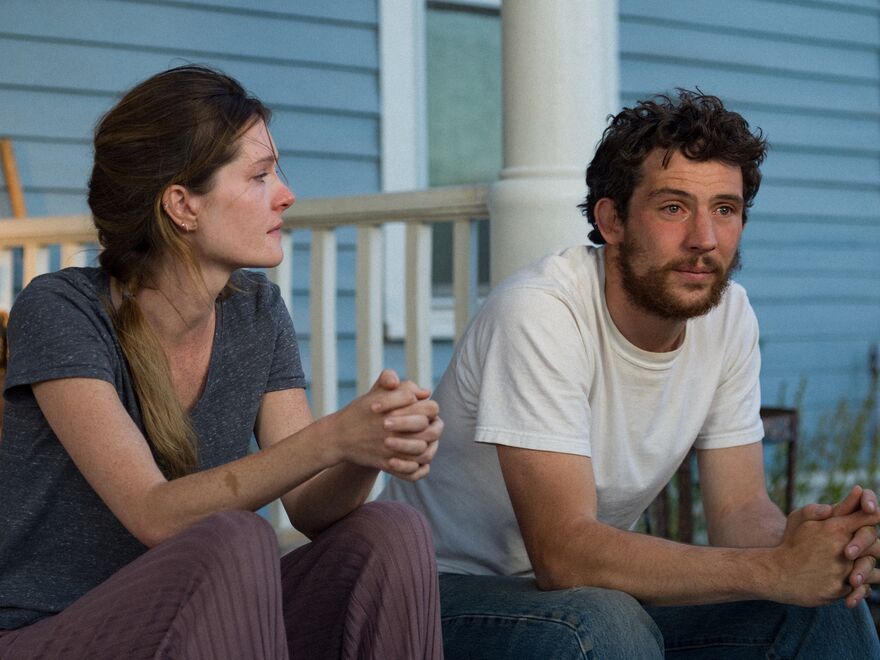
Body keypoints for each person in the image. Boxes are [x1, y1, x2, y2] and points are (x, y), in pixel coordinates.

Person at [383, 90, 880, 658]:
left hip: (581, 599)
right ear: (611, 219)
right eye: (673, 208)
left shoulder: (729, 316)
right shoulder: (541, 312)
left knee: (821, 615)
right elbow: (563, 554)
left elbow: (738, 511)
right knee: (604, 620)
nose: (704, 239)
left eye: (725, 209)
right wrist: (772, 570)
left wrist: (808, 551)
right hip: (435, 594)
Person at [0, 65, 444, 659]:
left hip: (203, 619)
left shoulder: (256, 311)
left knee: (390, 531)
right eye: (260, 176)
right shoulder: (61, 310)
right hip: (52, 632)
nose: (285, 194)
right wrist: (333, 436)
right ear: (182, 205)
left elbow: (311, 508)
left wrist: (367, 448)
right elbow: (154, 514)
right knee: (236, 538)